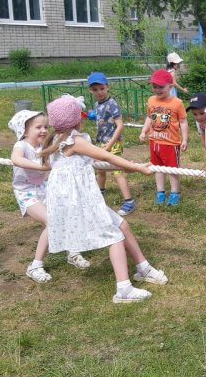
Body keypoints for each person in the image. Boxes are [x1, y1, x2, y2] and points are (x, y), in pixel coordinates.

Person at [42, 95, 168, 303]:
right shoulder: (75, 141)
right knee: (114, 236)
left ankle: (143, 268)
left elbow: (91, 165)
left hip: (79, 200)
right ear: (77, 120)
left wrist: (129, 167)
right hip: (81, 203)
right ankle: (123, 289)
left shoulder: (56, 141)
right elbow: (106, 156)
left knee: (122, 225)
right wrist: (136, 167)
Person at [8, 110, 90, 283]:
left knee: (69, 214)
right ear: (24, 131)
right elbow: (16, 159)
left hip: (45, 187)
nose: (44, 130)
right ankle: (35, 265)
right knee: (52, 221)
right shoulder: (21, 145)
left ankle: (72, 251)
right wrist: (41, 167)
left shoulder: (46, 145)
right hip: (26, 192)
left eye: (45, 126)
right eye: (38, 127)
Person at [87, 72, 136, 216]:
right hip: (100, 142)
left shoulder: (112, 103)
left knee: (117, 171)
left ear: (107, 87)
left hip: (113, 143)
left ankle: (129, 201)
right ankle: (99, 194)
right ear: (90, 90)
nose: (99, 92)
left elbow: (120, 126)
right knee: (100, 170)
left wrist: (109, 145)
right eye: (95, 89)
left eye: (102, 88)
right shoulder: (97, 104)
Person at [140, 69, 189, 206]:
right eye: (154, 86)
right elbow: (149, 117)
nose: (157, 89)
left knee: (172, 169)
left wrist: (185, 139)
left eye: (161, 86)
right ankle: (160, 192)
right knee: (157, 168)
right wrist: (144, 131)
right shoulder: (151, 100)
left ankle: (174, 193)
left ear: (171, 86)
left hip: (171, 143)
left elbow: (183, 121)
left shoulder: (177, 103)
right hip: (154, 141)